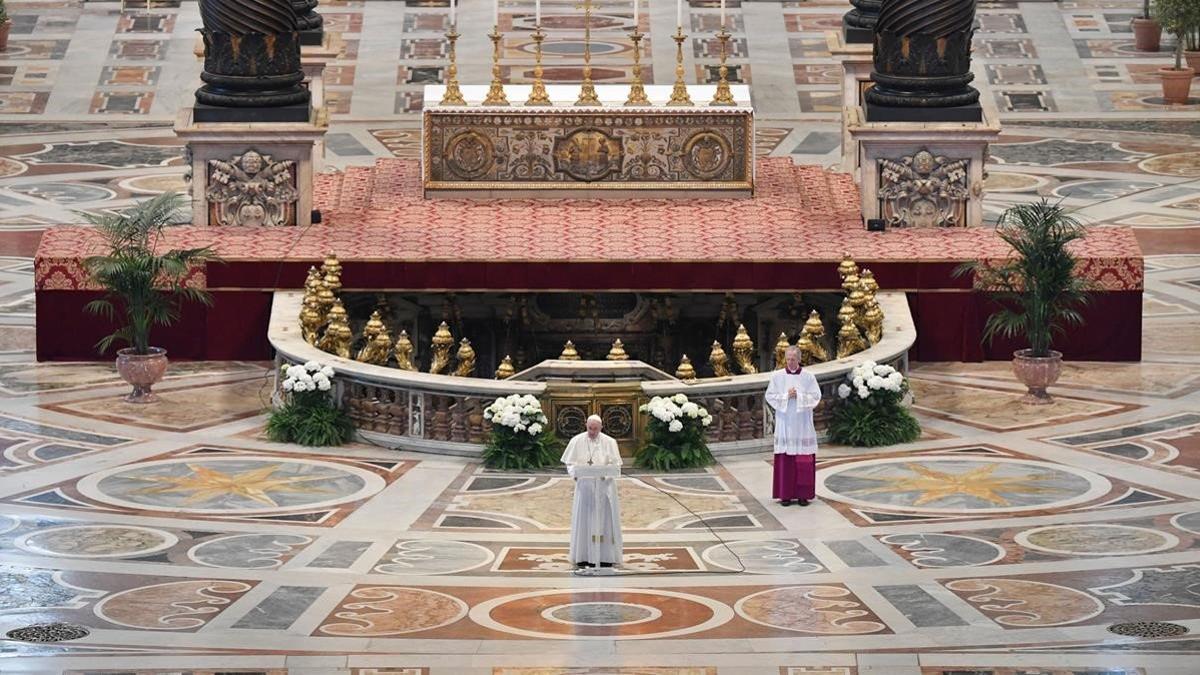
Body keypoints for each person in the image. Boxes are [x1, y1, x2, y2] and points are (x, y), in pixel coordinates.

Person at [561, 414, 623, 568]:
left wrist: (605, 474)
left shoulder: (610, 442)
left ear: (601, 428)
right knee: (584, 520)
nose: (592, 432)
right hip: (585, 488)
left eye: (595, 429)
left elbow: (616, 466)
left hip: (604, 488)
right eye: (590, 428)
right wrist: (575, 474)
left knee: (605, 521)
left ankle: (605, 557)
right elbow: (570, 463)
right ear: (586, 426)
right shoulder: (577, 441)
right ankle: (583, 555)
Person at [764, 345, 822, 506]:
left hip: (803, 424)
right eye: (788, 359)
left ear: (799, 359)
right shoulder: (777, 376)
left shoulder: (809, 377)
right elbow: (770, 396)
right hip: (785, 423)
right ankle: (785, 495)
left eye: (793, 359)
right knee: (786, 459)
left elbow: (816, 397)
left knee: (804, 460)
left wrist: (800, 396)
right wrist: (785, 396)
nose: (790, 362)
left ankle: (804, 495)